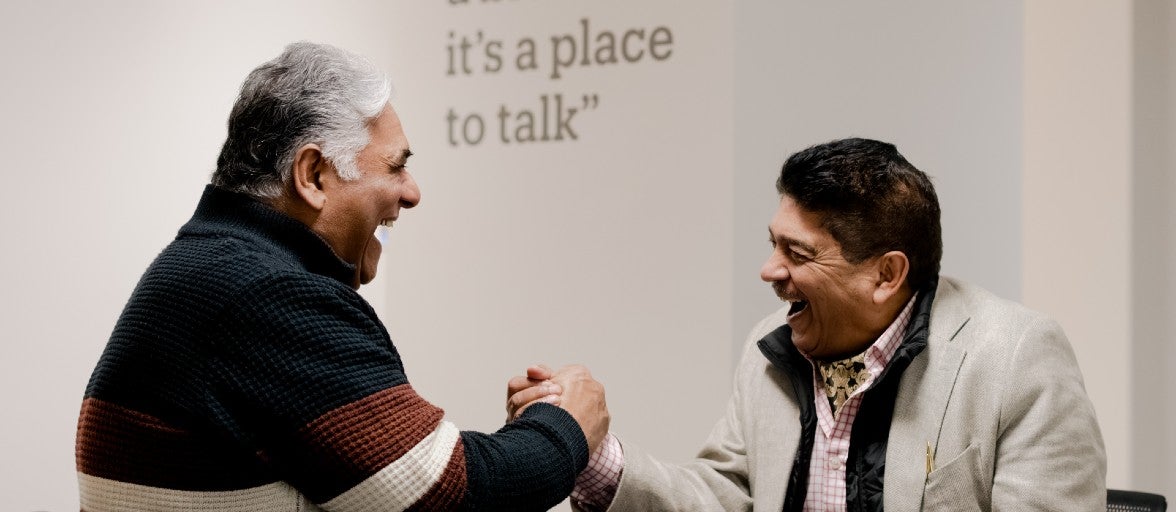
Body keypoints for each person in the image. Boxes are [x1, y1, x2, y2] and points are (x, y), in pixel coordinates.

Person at [76, 41, 608, 512]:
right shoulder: (271, 296)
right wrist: (569, 425)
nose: (412, 192)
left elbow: (399, 478)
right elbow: (450, 495)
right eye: (395, 166)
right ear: (312, 176)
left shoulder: (210, 268)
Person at [510, 138, 1106, 511]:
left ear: (886, 274)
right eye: (773, 245)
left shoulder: (1017, 357)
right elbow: (730, 496)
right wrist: (591, 454)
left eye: (798, 254)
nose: (769, 271)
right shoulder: (770, 347)